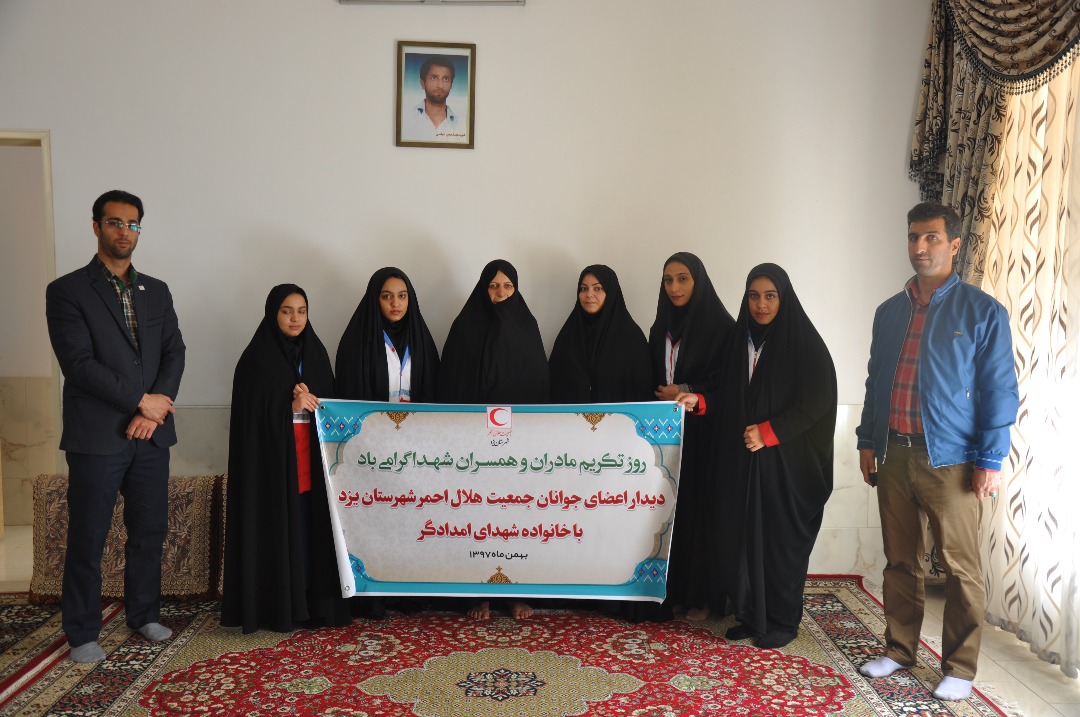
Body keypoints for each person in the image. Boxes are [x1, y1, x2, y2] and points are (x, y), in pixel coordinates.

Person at [855, 203, 1019, 701]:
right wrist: (867, 440)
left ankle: (960, 668)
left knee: (960, 568)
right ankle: (899, 650)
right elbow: (876, 381)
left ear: (954, 245)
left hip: (952, 461)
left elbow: (999, 391)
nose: (920, 247)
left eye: (931, 238)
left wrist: (990, 459)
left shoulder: (982, 311)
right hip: (894, 454)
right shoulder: (889, 312)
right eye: (913, 237)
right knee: (900, 562)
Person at [45, 190, 186, 663]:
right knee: (89, 535)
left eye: (132, 224)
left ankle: (143, 613)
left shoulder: (157, 290)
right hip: (97, 435)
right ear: (96, 226)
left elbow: (174, 352)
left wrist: (154, 410)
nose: (124, 231)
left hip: (151, 434)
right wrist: (140, 401)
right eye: (114, 222)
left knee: (149, 530)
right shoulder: (67, 290)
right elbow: (78, 363)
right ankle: (83, 632)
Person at [677, 263, 836, 649]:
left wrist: (770, 432)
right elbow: (725, 390)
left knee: (777, 543)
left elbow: (816, 400)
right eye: (753, 296)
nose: (761, 305)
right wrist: (700, 400)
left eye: (770, 296)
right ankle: (751, 615)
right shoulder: (740, 340)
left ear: (784, 298)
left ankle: (782, 620)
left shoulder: (804, 344)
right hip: (742, 465)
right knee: (742, 540)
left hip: (784, 468)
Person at [221, 284, 352, 634]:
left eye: (302, 311)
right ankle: (280, 606)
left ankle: (314, 603)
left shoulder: (317, 354)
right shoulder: (256, 360)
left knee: (311, 528)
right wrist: (289, 407)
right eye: (287, 311)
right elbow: (250, 420)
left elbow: (333, 406)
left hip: (314, 463)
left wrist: (315, 401)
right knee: (282, 528)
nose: (295, 318)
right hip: (273, 466)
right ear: (273, 314)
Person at [438, 259, 549, 620]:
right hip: (472, 448)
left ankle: (515, 594)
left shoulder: (527, 327)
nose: (500, 293)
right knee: (474, 516)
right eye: (493, 286)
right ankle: (478, 596)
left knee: (515, 517)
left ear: (516, 289)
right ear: (483, 289)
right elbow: (451, 384)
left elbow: (539, 386)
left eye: (507, 286)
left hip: (518, 449)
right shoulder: (465, 328)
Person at [648, 252, 734, 621]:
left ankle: (706, 598)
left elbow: (727, 383)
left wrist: (684, 390)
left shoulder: (721, 328)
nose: (675, 287)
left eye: (683, 278)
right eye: (668, 280)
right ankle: (678, 592)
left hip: (706, 435)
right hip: (669, 438)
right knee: (673, 511)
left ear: (698, 282)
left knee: (702, 514)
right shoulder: (660, 328)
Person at [548, 265, 652, 404]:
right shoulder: (568, 336)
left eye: (597, 288)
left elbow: (642, 390)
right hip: (572, 417)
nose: (589, 294)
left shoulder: (632, 338)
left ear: (610, 292)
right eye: (584, 289)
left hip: (619, 417)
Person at [336, 267, 440, 403]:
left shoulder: (421, 341)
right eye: (387, 296)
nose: (395, 304)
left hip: (417, 417)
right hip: (371, 417)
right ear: (375, 299)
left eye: (402, 296)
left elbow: (433, 392)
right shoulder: (356, 343)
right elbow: (350, 394)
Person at [401, 55, 464, 142]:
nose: (440, 85)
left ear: (451, 85)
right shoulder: (406, 119)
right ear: (423, 84)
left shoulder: (462, 125)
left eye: (446, 79)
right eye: (434, 78)